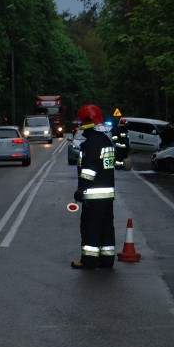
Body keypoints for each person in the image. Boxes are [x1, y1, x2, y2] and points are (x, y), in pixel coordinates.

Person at [71, 104, 117, 270]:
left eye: (81, 124)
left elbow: (89, 171)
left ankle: (88, 260)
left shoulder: (91, 143)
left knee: (90, 227)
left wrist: (80, 189)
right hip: (107, 195)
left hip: (93, 195)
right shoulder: (106, 141)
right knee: (106, 227)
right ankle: (106, 260)